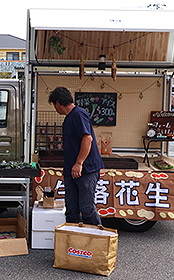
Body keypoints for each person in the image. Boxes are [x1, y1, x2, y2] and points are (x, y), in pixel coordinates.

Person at [48, 86, 103, 226]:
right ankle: (73, 240)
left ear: (58, 103)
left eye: (54, 105)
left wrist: (79, 163)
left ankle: (97, 239)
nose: (55, 108)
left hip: (86, 170)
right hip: (71, 170)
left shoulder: (79, 114)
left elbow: (87, 139)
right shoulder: (68, 118)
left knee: (86, 208)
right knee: (71, 209)